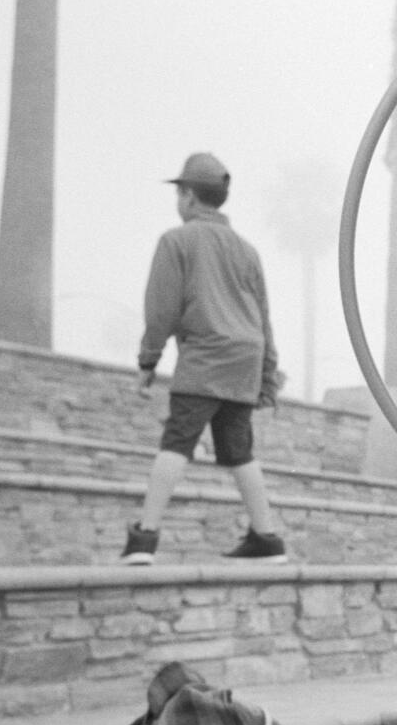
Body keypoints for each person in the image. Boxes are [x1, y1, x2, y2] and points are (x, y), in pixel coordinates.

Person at [121, 153, 287, 565]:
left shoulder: (176, 241)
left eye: (180, 192)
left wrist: (148, 363)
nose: (178, 201)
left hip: (205, 358)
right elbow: (263, 316)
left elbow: (162, 310)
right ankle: (266, 539)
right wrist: (267, 374)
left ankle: (144, 538)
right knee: (238, 451)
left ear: (190, 196)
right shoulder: (247, 250)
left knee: (177, 440)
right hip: (245, 361)